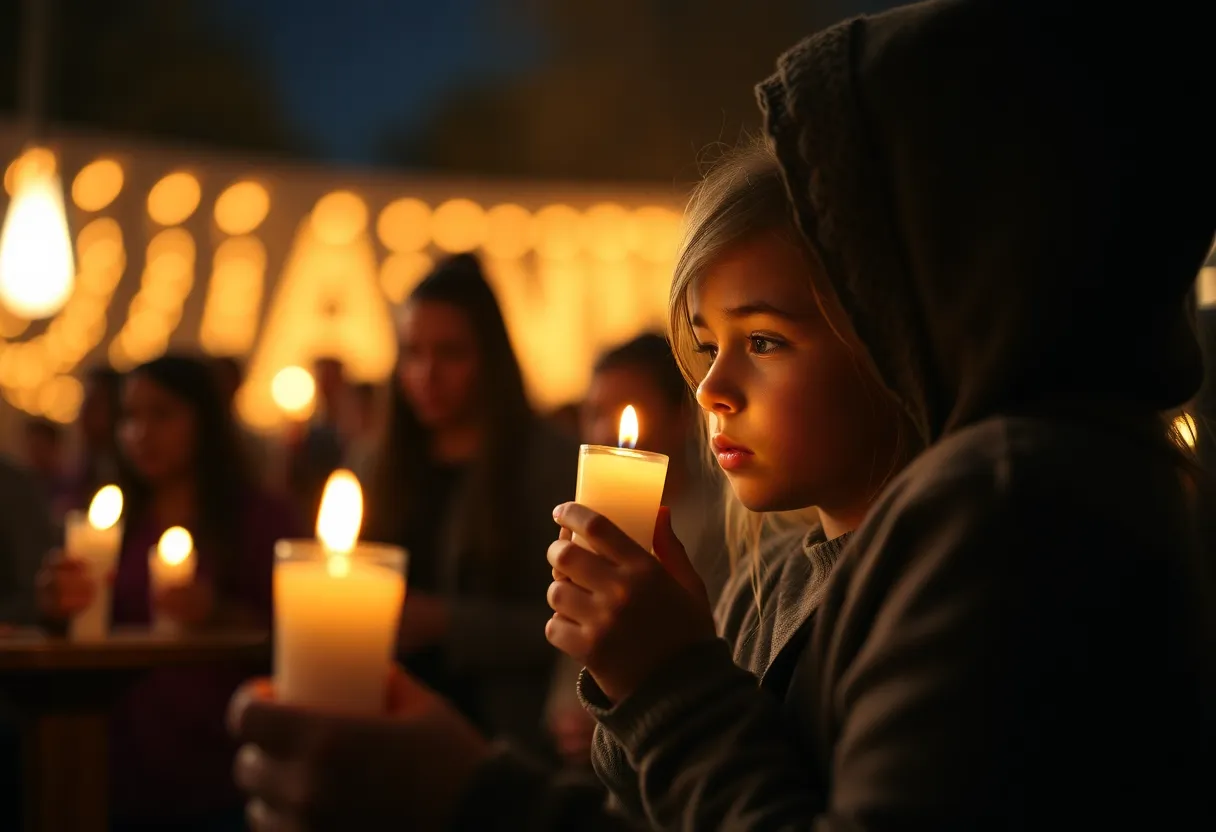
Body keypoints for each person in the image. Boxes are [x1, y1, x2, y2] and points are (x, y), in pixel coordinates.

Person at [229, 0, 1216, 827]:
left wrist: (662, 687)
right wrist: (613, 696)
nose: (710, 387)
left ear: (922, 310)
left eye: (766, 340)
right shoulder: (771, 579)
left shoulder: (1014, 505)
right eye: (704, 344)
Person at [38, 355, 302, 831]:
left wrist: (218, 612)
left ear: (205, 419)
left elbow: (295, 634)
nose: (141, 433)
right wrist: (59, 607)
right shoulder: (111, 526)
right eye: (129, 417)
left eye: (162, 414)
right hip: (122, 765)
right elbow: (88, 626)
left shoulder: (261, 520)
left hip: (225, 770)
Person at [359, 252, 577, 753]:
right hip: (382, 722)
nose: (427, 374)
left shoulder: (547, 462)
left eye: (450, 353)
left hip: (498, 736)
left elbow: (564, 622)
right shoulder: (377, 463)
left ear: (490, 358)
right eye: (412, 353)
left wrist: (446, 622)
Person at [545, 333, 732, 767]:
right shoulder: (585, 513)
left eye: (624, 410)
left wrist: (630, 707)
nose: (606, 431)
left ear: (681, 415)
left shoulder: (722, 526)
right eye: (594, 413)